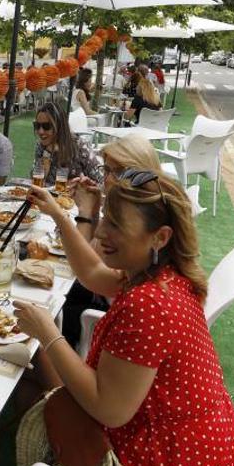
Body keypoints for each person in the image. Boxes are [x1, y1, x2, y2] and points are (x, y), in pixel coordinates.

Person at [16, 171, 234, 466]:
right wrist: (57, 214)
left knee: (30, 390)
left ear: (160, 237)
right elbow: (90, 272)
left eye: (116, 224)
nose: (102, 232)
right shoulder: (161, 275)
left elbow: (109, 410)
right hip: (195, 462)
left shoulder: (149, 303)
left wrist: (48, 334)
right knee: (35, 378)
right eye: (104, 218)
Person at [59, 135, 162, 348]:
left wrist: (85, 213)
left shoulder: (138, 224)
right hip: (108, 295)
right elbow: (93, 258)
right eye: (107, 170)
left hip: (108, 312)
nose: (108, 180)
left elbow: (86, 263)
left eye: (120, 172)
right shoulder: (140, 208)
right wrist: (96, 209)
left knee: (55, 307)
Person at [32, 101, 102, 188]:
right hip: (47, 197)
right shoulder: (41, 146)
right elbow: (36, 181)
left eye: (46, 126)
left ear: (59, 126)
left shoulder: (79, 146)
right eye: (37, 126)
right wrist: (47, 154)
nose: (40, 131)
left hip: (73, 199)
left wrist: (82, 184)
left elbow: (99, 181)